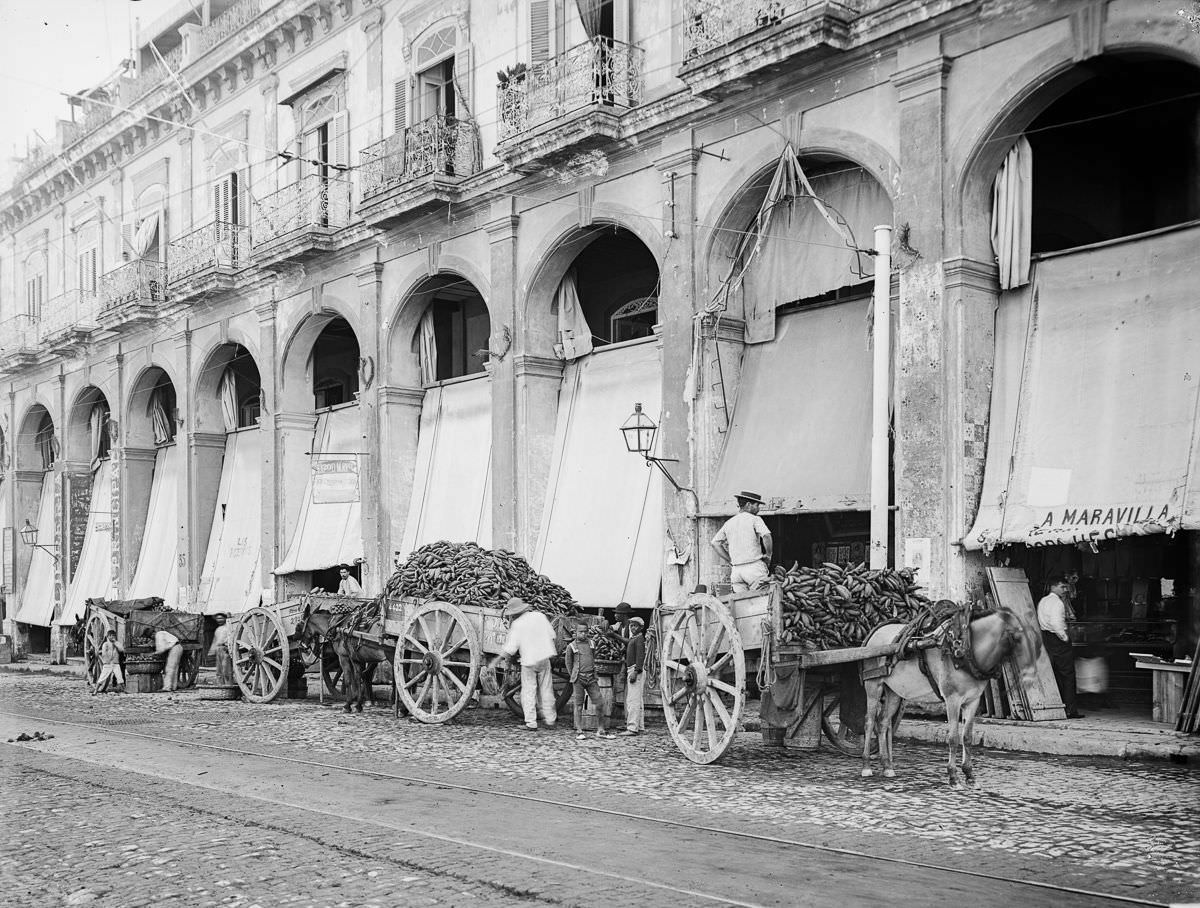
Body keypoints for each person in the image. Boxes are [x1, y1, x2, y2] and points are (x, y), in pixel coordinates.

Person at [490, 597, 558, 730]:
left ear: (514, 613)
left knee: (528, 691)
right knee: (546, 689)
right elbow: (553, 636)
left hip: (529, 662)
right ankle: (550, 720)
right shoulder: (540, 616)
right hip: (544, 658)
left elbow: (510, 649)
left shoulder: (518, 624)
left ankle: (531, 723)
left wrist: (494, 661)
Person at [1037, 574, 1083, 718]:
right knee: (1068, 676)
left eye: (1066, 587)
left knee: (1055, 674)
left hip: (1047, 639)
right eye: (1062, 587)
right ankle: (1071, 710)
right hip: (1058, 640)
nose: (1065, 590)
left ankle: (1059, 706)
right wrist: (1065, 638)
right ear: (1053, 587)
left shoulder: (1043, 601)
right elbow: (1057, 624)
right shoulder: (1057, 603)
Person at [711, 490, 773, 592]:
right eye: (757, 505)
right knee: (761, 600)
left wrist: (730, 559)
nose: (758, 509)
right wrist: (769, 555)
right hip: (754, 569)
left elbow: (715, 543)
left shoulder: (729, 522)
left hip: (736, 571)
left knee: (741, 604)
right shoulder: (755, 519)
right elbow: (766, 536)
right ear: (748, 504)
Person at [565, 622, 613, 740]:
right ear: (575, 633)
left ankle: (601, 729)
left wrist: (592, 671)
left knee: (599, 702)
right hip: (578, 679)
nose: (583, 634)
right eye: (580, 632)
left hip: (591, 678)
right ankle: (579, 730)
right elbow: (568, 662)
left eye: (585, 631)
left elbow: (592, 657)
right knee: (578, 705)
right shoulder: (571, 646)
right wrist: (573, 675)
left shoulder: (592, 644)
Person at [620, 617, 647, 736]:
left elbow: (640, 656)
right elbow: (628, 642)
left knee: (633, 700)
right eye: (631, 626)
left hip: (635, 669)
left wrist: (635, 671)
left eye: (635, 626)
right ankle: (639, 726)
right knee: (638, 700)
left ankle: (632, 727)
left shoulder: (639, 639)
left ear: (641, 627)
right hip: (634, 669)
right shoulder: (634, 638)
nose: (632, 628)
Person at [152, 628, 185, 692]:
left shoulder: (158, 635)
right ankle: (173, 686)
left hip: (174, 649)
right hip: (179, 647)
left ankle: (167, 687)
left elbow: (161, 649)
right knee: (175, 668)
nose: (152, 638)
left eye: (151, 636)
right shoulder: (162, 633)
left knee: (169, 668)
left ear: (152, 634)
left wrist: (154, 653)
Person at [94, 630, 124, 694]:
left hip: (116, 663)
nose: (112, 637)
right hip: (108, 664)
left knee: (119, 677)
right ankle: (95, 691)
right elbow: (104, 654)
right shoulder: (105, 644)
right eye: (111, 636)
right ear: (108, 636)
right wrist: (108, 659)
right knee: (102, 677)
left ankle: (123, 690)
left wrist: (115, 643)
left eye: (113, 636)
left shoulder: (117, 643)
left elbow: (121, 649)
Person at [209, 613, 234, 686]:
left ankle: (228, 685)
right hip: (218, 649)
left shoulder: (228, 628)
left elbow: (231, 638)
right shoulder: (217, 629)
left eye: (221, 618)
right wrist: (212, 651)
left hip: (225, 649)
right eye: (218, 619)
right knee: (219, 669)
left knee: (226, 668)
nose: (219, 620)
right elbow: (215, 641)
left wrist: (229, 647)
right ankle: (220, 686)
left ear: (225, 619)